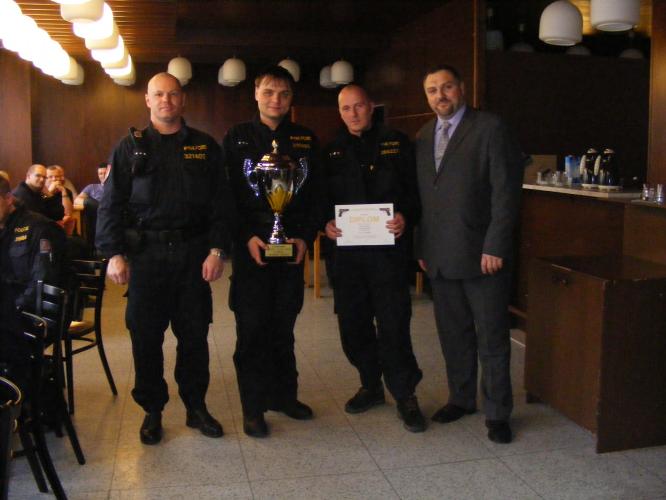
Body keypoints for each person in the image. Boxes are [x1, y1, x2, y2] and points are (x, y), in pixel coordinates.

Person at [96, 72, 233, 445]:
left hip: (193, 254)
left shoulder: (204, 146)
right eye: (159, 94)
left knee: (194, 335)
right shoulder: (129, 148)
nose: (166, 101)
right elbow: (111, 204)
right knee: (145, 336)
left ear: (182, 99)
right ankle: (152, 410)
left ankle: (196, 407)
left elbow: (222, 204)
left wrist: (217, 251)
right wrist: (113, 254)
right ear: (147, 100)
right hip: (146, 256)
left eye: (173, 94)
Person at [415, 65, 523, 443]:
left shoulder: (490, 127)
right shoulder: (423, 135)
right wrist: (422, 247)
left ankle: (497, 413)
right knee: (454, 335)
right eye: (432, 90)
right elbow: (424, 198)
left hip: (482, 256)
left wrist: (495, 245)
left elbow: (505, 192)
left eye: (446, 87)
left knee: (491, 338)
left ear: (461, 88)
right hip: (440, 255)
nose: (440, 95)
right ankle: (461, 399)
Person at [222, 65, 320, 438]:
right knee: (252, 330)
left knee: (284, 327)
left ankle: (284, 396)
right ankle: (253, 407)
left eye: (283, 93)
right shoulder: (236, 137)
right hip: (252, 251)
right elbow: (226, 195)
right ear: (256, 93)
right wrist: (246, 236)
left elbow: (318, 194)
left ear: (291, 98)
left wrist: (304, 238)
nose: (275, 100)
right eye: (268, 92)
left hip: (290, 249)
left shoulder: (306, 139)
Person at [322, 85, 425, 432]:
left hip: (388, 255)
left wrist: (406, 216)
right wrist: (325, 223)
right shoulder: (331, 149)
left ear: (370, 107)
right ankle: (370, 384)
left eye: (359, 106)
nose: (353, 114)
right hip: (347, 258)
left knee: (394, 324)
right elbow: (320, 198)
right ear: (340, 112)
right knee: (353, 325)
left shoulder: (397, 142)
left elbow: (414, 192)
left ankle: (405, 394)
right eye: (346, 108)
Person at [0, 176, 66, 391]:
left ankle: (15, 398)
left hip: (31, 314)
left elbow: (42, 282)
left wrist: (12, 310)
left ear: (8, 199)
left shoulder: (39, 228)